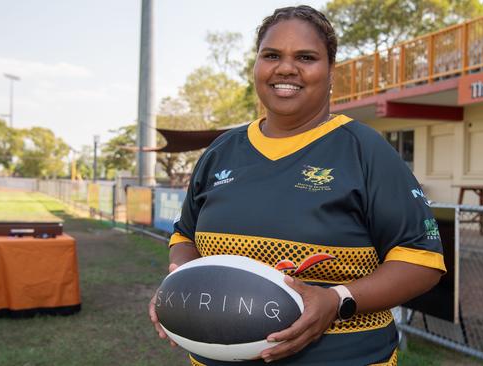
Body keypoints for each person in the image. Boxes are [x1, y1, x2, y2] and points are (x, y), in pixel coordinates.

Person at [149, 5, 445, 365]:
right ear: (257, 65)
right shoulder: (221, 152)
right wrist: (180, 286)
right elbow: (185, 235)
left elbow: (422, 260)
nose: (286, 68)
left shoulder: (365, 151)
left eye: (305, 57)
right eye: (271, 55)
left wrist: (338, 300)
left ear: (330, 71)